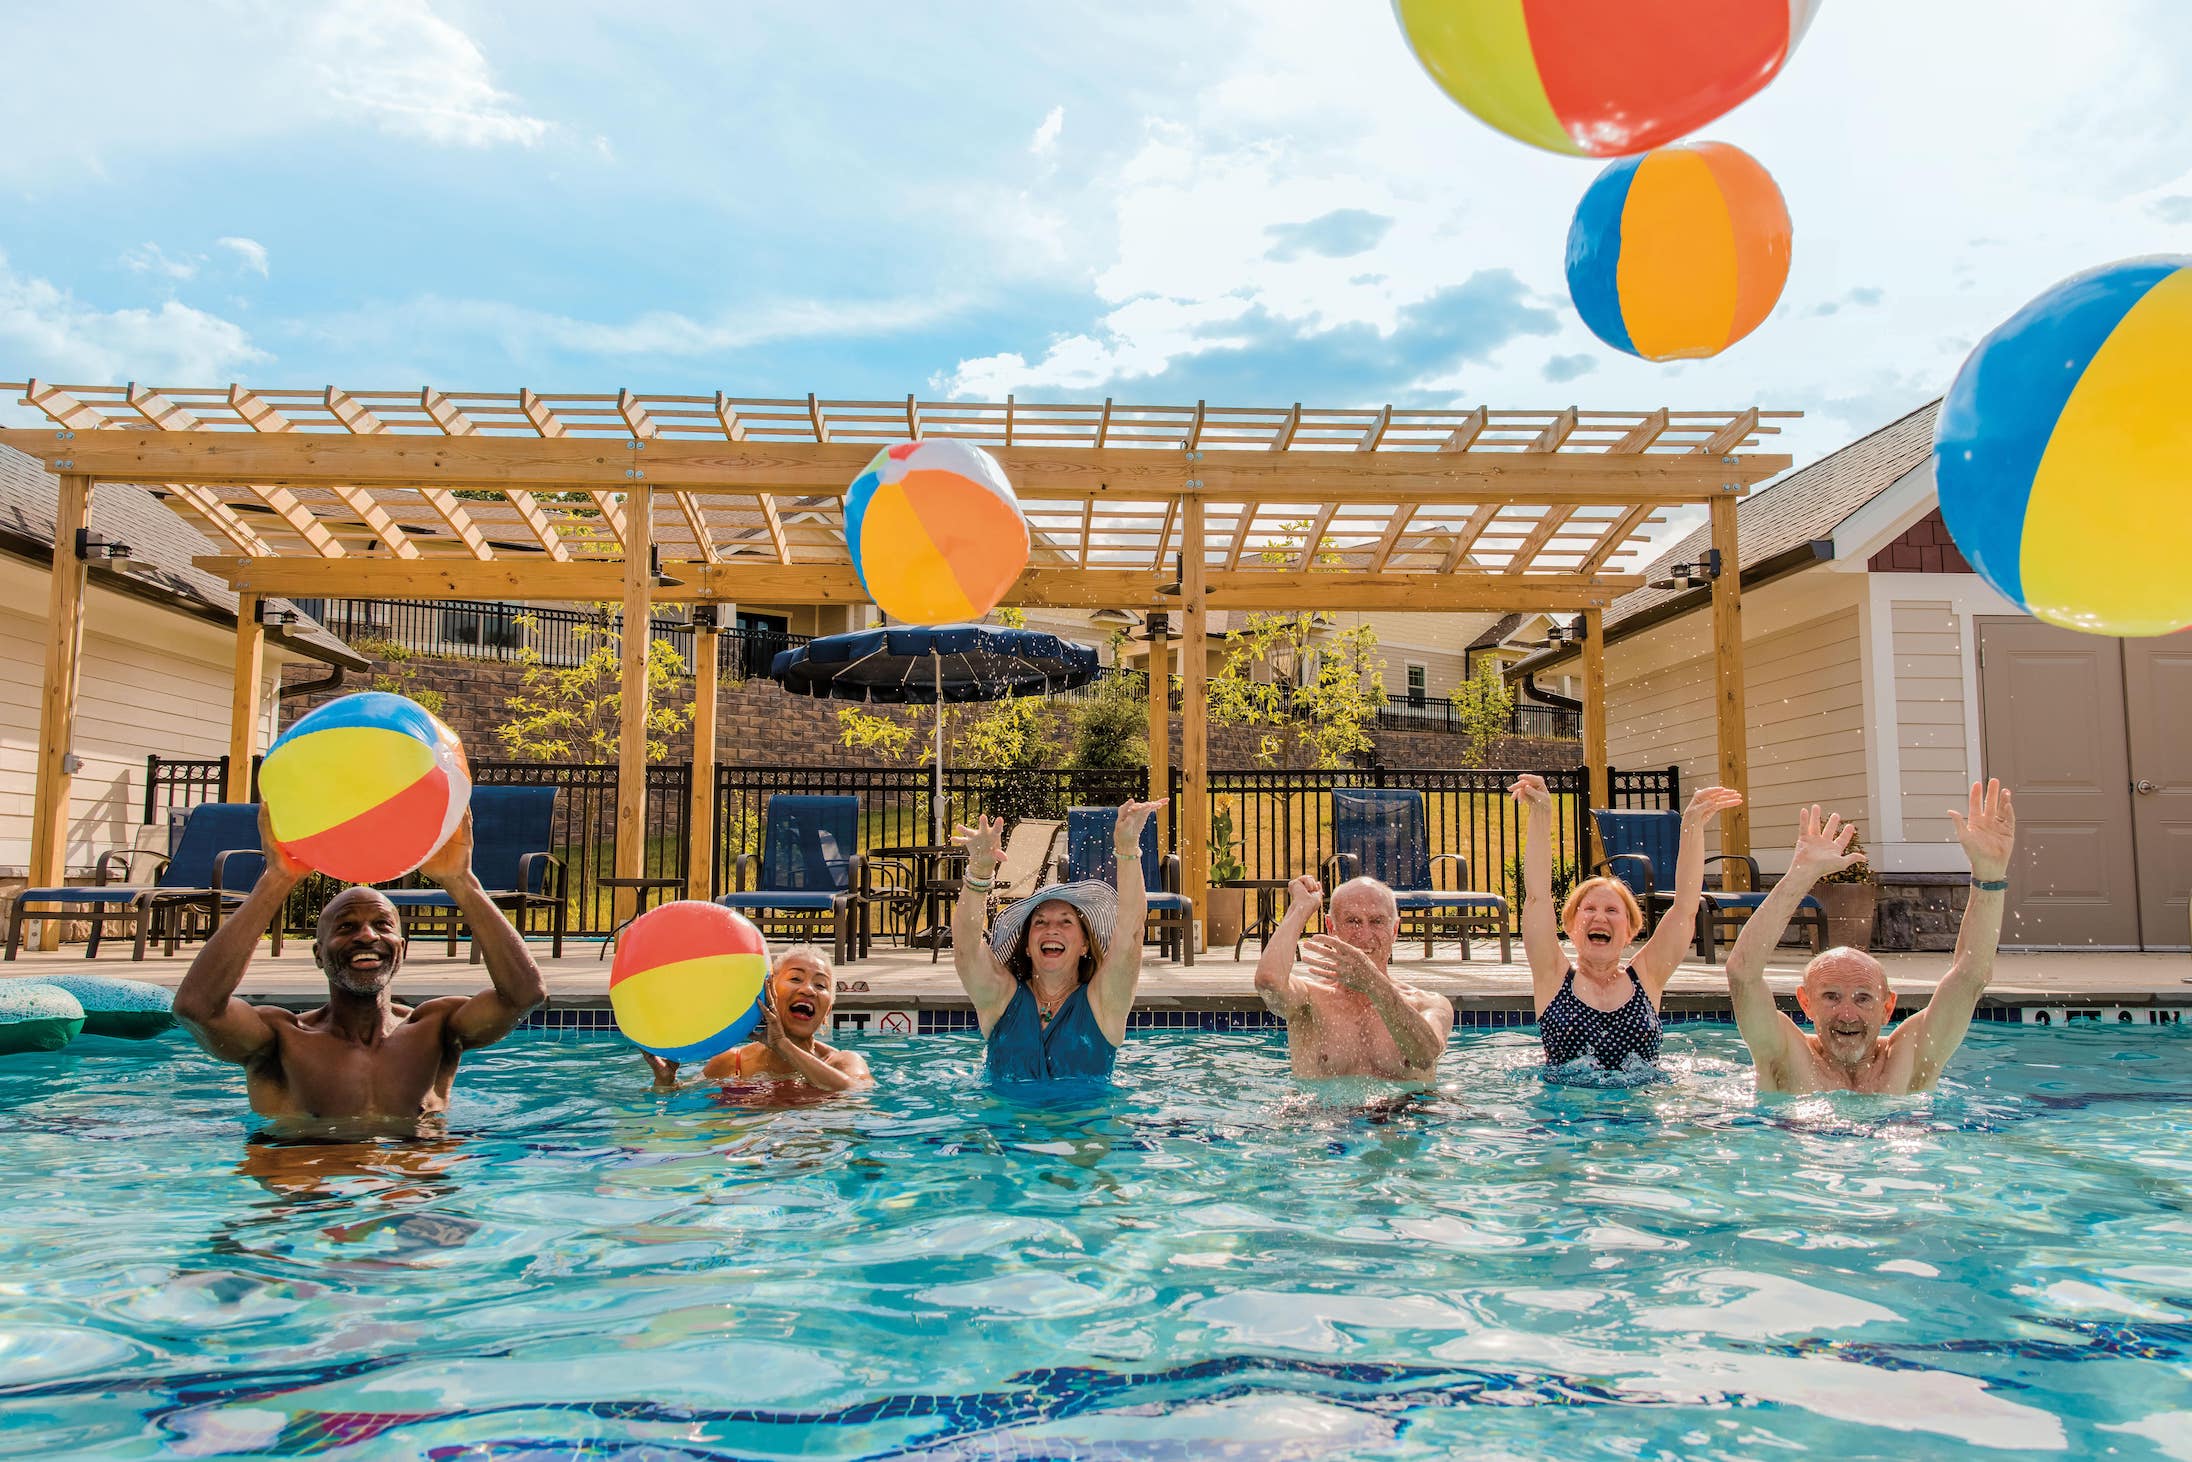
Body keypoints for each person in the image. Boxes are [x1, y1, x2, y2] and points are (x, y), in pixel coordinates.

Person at [173, 807, 546, 1133]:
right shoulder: (281, 1038)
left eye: (383, 925)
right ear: (319, 955)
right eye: (346, 927)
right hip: (310, 1190)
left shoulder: (437, 1029)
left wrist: (461, 881)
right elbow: (197, 1007)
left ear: (402, 948)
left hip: (412, 1190)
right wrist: (277, 879)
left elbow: (524, 995)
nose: (367, 935)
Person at [1723, 782, 2016, 1094]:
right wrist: (1801, 876)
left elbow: (1971, 976)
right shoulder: (1785, 1056)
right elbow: (1742, 973)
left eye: (1863, 998)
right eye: (1831, 997)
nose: (1847, 1015)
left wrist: (1989, 875)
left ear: (1888, 1007)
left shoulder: (1909, 1058)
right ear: (1806, 1003)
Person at [1509, 774, 1747, 1071]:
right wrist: (1542, 814)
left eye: (1612, 910)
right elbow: (1537, 898)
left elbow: (1685, 908)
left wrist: (1692, 825)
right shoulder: (1552, 975)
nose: (1599, 917)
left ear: (1631, 930)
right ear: (1570, 926)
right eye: (1589, 909)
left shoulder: (1647, 976)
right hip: (1566, 1114)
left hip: (1640, 1113)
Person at [950, 799, 1166, 1083]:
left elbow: (1131, 933)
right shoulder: (1000, 999)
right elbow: (966, 948)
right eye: (1040, 922)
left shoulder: (1104, 1003)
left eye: (1066, 921)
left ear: (1085, 945)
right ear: (1027, 945)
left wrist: (1127, 849)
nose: (1052, 928)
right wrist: (978, 872)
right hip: (1009, 1126)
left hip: (1087, 1127)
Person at [1253, 874, 1453, 1082]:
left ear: (1394, 930)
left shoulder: (1428, 1004)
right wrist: (1300, 908)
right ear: (1331, 928)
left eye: (1377, 921)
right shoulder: (1309, 1000)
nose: (1364, 935)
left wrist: (1375, 986)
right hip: (1323, 1113)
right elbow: (1268, 982)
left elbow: (1426, 1056)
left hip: (1407, 1112)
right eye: (1352, 921)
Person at [641, 944, 872, 1092]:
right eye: (795, 979)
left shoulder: (842, 1063)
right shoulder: (732, 1063)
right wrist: (665, 1082)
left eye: (820, 985)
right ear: (768, 991)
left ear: (826, 1014)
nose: (808, 990)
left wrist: (783, 1045)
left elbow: (854, 1093)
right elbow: (684, 1100)